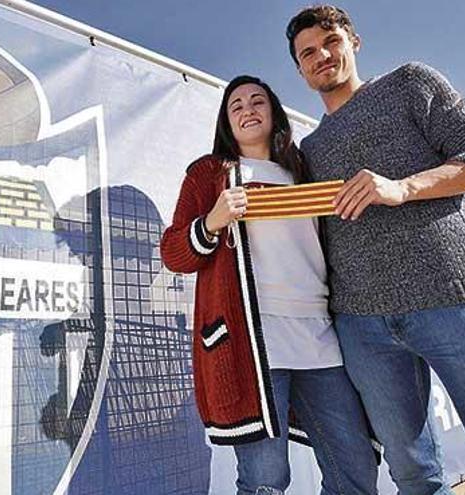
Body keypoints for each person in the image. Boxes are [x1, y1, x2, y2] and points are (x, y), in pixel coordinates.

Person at [285, 5, 465, 494]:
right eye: (307, 53)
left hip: (453, 301)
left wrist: (404, 186)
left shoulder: (408, 83)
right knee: (415, 478)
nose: (322, 56)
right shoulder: (309, 150)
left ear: (354, 42)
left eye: (331, 41)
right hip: (363, 327)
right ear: (299, 68)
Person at [160, 75, 378, 495]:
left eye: (257, 101)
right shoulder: (209, 173)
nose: (247, 110)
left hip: (319, 336)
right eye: (236, 105)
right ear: (226, 121)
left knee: (355, 466)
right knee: (266, 479)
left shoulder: (305, 170)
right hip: (252, 343)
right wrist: (211, 222)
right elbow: (174, 253)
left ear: (274, 111)